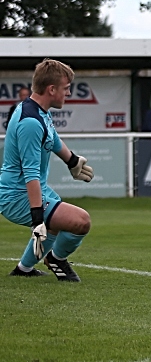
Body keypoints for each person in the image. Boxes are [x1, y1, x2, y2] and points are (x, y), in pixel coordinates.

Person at [1, 59, 94, 282]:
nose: (69, 92)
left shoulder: (37, 110)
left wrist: (71, 160)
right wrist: (37, 219)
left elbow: (52, 138)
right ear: (51, 89)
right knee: (80, 221)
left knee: (57, 220)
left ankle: (23, 270)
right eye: (66, 88)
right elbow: (30, 173)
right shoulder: (30, 122)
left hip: (27, 189)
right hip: (16, 194)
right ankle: (56, 259)